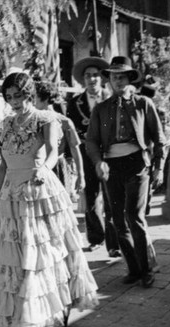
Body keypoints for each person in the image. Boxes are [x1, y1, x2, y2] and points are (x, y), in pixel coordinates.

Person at [0, 72, 98, 327]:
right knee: (15, 260)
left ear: (29, 94)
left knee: (43, 254)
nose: (14, 102)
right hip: (11, 194)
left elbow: (53, 151)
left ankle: (53, 308)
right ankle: (17, 324)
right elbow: (3, 166)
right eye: (10, 97)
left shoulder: (46, 119)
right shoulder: (5, 123)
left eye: (19, 95)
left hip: (39, 191)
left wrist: (43, 168)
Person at [86, 56, 166, 288]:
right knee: (117, 220)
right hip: (111, 168)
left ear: (130, 79)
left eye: (122, 76)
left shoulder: (143, 104)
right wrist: (98, 161)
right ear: (109, 80)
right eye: (114, 77)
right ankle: (134, 269)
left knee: (135, 216)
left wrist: (158, 168)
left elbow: (159, 138)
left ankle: (147, 268)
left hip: (137, 165)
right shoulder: (101, 109)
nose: (118, 81)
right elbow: (91, 141)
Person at [66, 57, 121, 257]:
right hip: (87, 156)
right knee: (90, 197)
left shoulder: (112, 99)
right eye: (88, 76)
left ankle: (114, 243)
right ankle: (96, 238)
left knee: (112, 198)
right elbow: (71, 132)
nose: (92, 79)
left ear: (102, 78)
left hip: (110, 155)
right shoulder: (75, 103)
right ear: (83, 80)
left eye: (96, 75)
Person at [34, 80, 85, 195]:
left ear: (45, 99)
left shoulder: (64, 121)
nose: (31, 101)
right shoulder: (32, 120)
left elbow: (75, 148)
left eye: (34, 97)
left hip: (57, 167)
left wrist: (81, 175)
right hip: (36, 168)